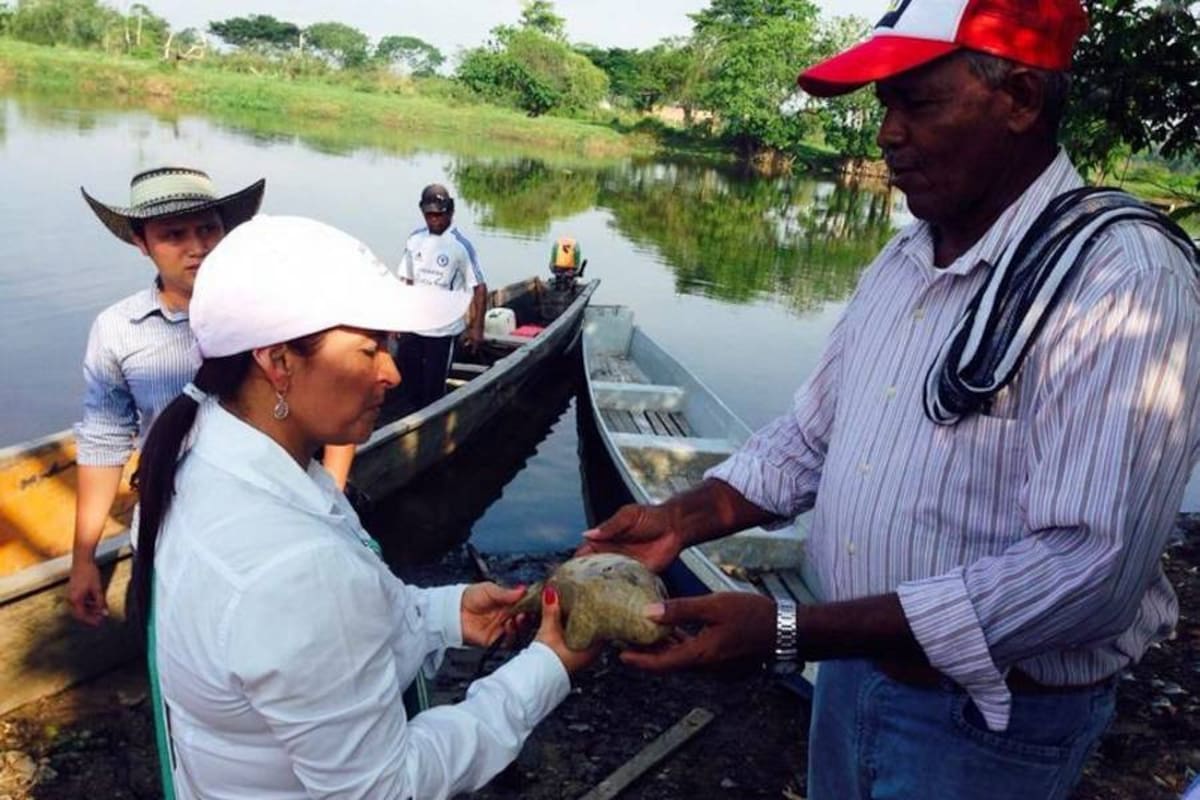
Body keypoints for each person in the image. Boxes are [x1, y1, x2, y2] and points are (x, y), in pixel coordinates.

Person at [581, 1, 1200, 798]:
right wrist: (681, 519)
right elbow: (812, 439)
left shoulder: (1123, 280)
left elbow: (1087, 570)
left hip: (990, 726)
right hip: (852, 675)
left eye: (918, 102)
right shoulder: (905, 257)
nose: (886, 135)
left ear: (1018, 98)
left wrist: (788, 631)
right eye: (884, 107)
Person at [132, 215, 596, 798]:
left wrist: (444, 615)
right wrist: (544, 669)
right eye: (370, 348)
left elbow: (307, 648)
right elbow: (387, 787)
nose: (392, 371)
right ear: (277, 363)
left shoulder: (203, 451)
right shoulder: (292, 569)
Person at [67, 166, 264, 626]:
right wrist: (83, 558)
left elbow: (334, 392)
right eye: (174, 235)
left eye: (207, 229)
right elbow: (104, 443)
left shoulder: (264, 310)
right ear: (142, 243)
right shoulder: (118, 330)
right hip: (166, 532)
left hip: (260, 528)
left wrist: (330, 496)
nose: (197, 247)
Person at [394, 183, 487, 411]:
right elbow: (406, 280)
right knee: (406, 382)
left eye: (440, 213)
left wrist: (476, 328)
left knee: (432, 391)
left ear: (450, 212)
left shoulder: (460, 247)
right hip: (413, 327)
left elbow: (480, 288)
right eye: (430, 214)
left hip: (442, 332)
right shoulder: (415, 239)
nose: (435, 219)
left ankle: (428, 422)